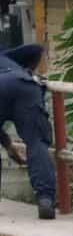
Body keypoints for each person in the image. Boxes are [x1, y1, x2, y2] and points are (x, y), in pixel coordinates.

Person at [0, 44, 58, 219]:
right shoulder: (7, 57)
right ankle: (45, 201)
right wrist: (27, 73)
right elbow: (37, 49)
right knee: (36, 141)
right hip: (24, 85)